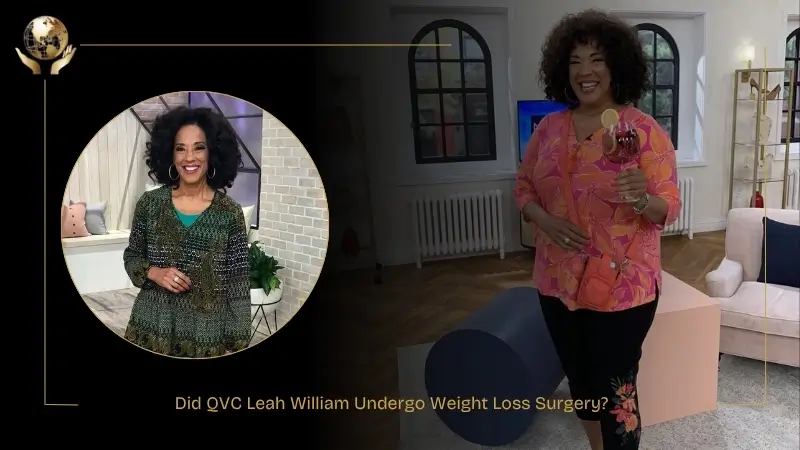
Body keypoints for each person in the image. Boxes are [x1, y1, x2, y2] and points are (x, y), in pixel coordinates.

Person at [514, 10, 681, 450]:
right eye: (574, 61)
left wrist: (642, 198)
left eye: (597, 59)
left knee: (617, 392)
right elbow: (524, 185)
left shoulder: (643, 131)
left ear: (617, 66)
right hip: (556, 282)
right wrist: (542, 219)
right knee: (582, 385)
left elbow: (669, 207)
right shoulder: (548, 129)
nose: (585, 71)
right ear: (562, 70)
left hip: (624, 289)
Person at [122, 106, 251, 358]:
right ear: (169, 154)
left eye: (198, 147)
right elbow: (132, 256)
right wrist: (154, 272)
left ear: (212, 152)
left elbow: (238, 286)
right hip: (152, 328)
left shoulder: (230, 214)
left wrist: (236, 344)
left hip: (205, 336)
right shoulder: (149, 204)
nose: (189, 157)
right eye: (180, 148)